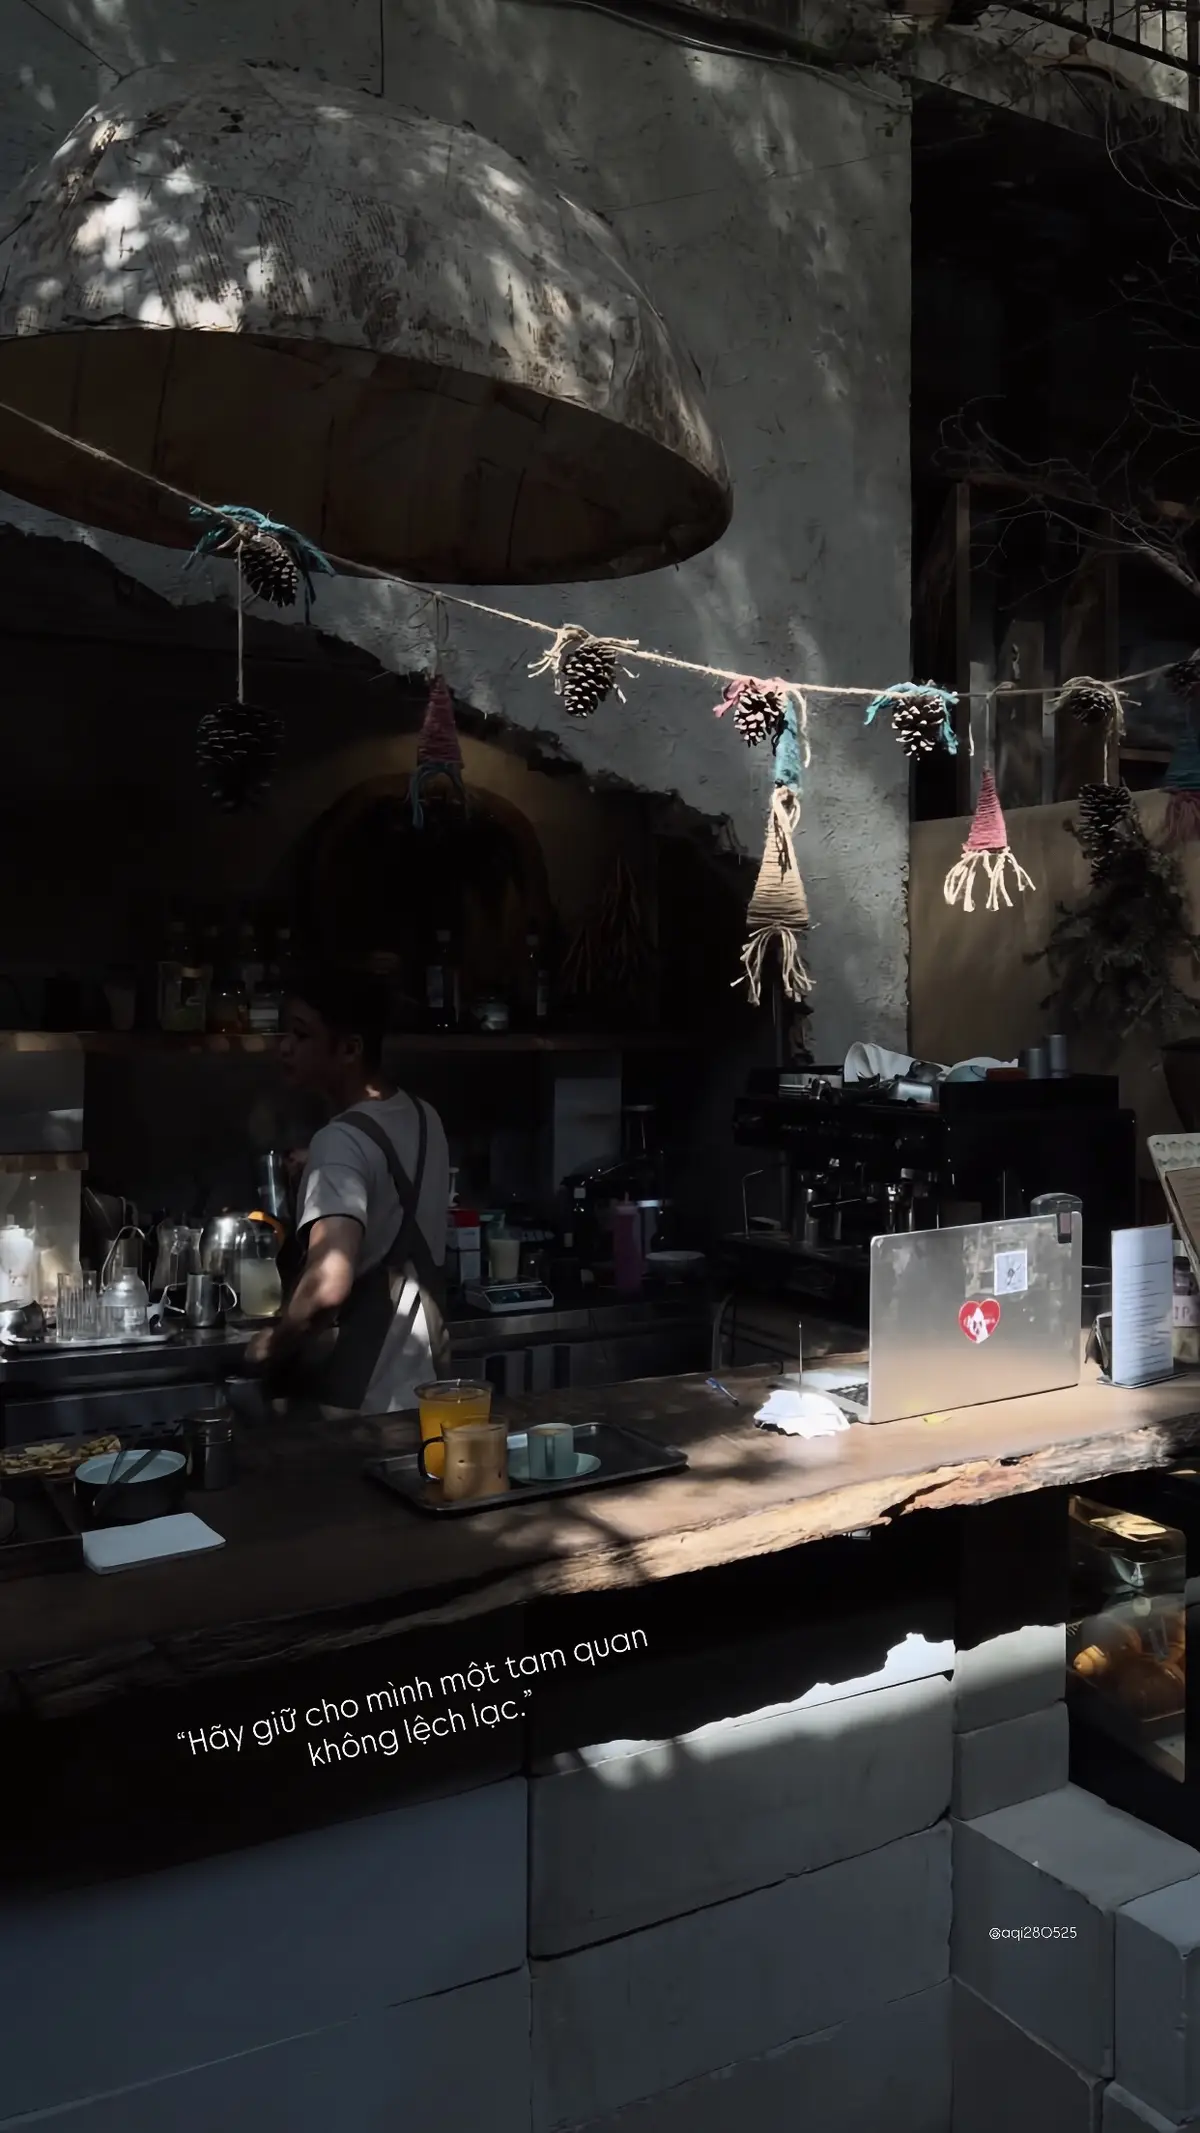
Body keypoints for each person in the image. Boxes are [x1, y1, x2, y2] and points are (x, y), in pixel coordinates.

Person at [246, 966, 451, 1415]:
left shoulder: (338, 1142)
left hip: (360, 1405)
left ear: (350, 1049)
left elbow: (327, 1284)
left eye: (302, 1035)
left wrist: (272, 1345)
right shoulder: (424, 1117)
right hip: (425, 1390)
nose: (285, 1046)